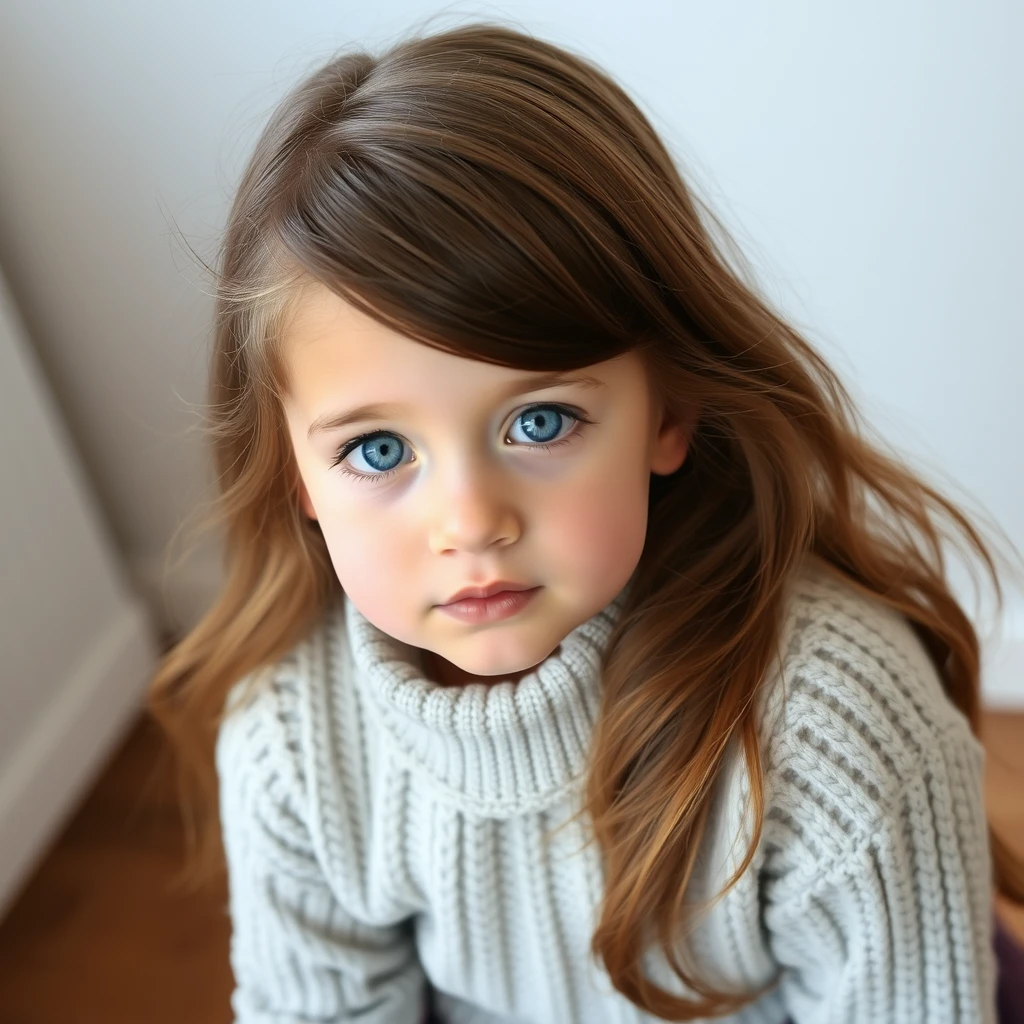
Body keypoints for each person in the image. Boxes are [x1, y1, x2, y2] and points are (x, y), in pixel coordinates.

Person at [148, 19, 1024, 1024]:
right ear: (298, 474)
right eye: (379, 451)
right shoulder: (294, 738)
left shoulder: (834, 724)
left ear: (667, 411)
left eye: (540, 420)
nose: (470, 522)